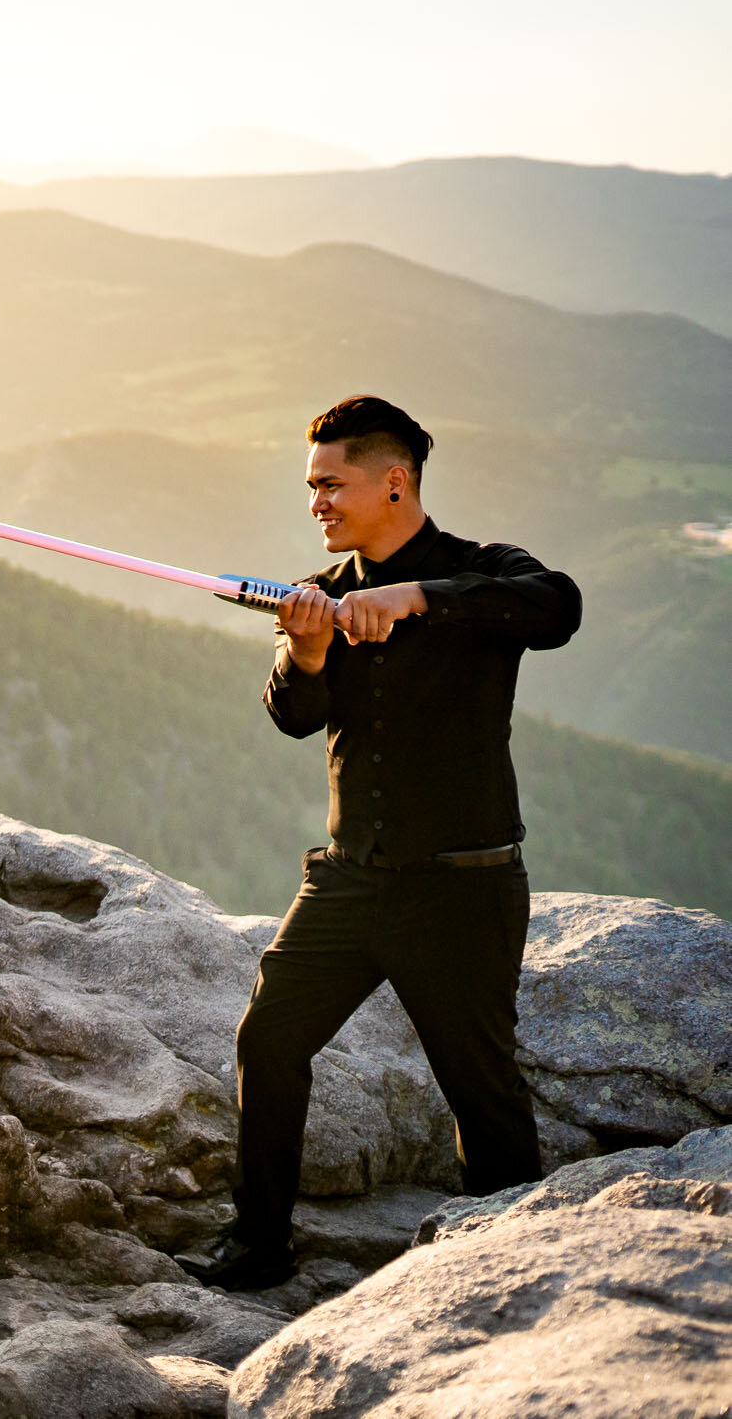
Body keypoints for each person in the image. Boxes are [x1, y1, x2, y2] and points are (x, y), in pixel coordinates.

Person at [179, 396, 581, 1291]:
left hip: (463, 885)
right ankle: (260, 1243)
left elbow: (557, 607)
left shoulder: (485, 572)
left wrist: (415, 600)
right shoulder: (317, 593)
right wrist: (308, 652)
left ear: (393, 479)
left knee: (481, 1088)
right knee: (270, 1037)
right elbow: (293, 716)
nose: (315, 503)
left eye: (330, 484)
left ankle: (510, 1266)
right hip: (350, 880)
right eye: (310, 487)